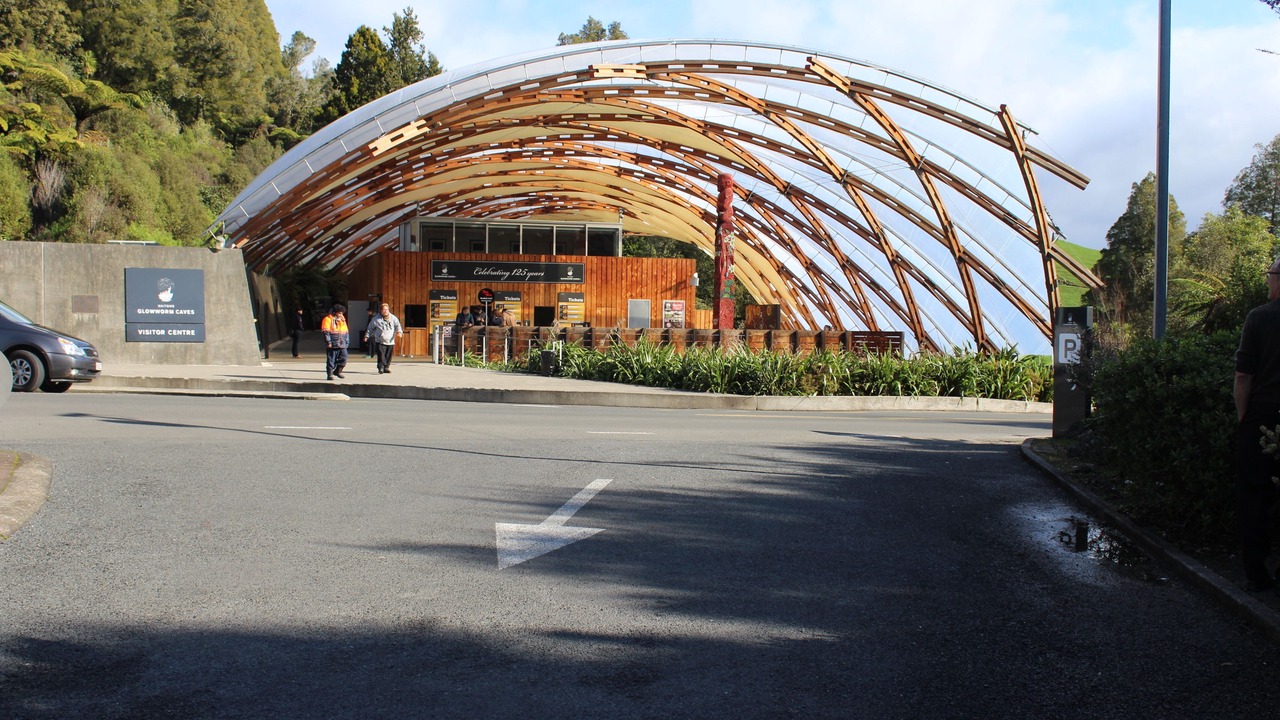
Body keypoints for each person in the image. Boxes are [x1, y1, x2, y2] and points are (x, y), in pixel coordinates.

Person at [1233, 255, 1280, 591]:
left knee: (1256, 494)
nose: (1267, 281)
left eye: (1270, 275)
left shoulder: (1260, 318)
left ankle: (1256, 573)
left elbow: (1243, 375)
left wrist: (1243, 417)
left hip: (1264, 418)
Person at [364, 302, 403, 374]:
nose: (385, 311)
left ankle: (386, 367)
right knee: (381, 355)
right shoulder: (376, 319)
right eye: (384, 309)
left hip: (390, 340)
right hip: (380, 340)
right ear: (381, 310)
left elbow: (398, 325)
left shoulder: (393, 318)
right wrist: (367, 336)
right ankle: (381, 367)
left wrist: (399, 332)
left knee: (388, 355)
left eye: (387, 309)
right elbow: (370, 328)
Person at [320, 304, 349, 380]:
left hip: (342, 343)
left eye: (342, 313)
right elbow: (326, 332)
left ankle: (338, 371)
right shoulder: (327, 319)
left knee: (344, 357)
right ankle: (330, 374)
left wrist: (347, 342)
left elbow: (346, 331)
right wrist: (328, 342)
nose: (341, 314)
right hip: (333, 343)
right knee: (331, 360)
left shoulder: (343, 320)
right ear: (335, 312)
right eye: (339, 313)